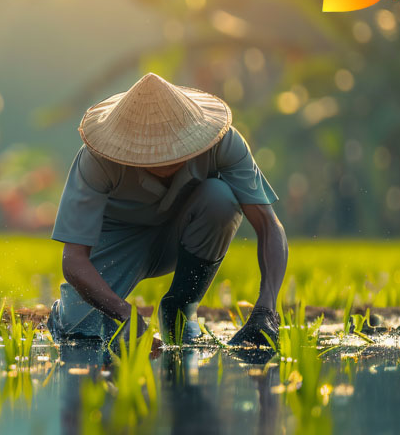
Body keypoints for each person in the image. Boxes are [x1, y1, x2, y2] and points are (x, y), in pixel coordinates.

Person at [47, 73, 287, 347]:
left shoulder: (223, 143)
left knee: (220, 197)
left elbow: (269, 225)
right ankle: (66, 316)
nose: (165, 157)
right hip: (120, 241)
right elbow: (74, 260)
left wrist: (266, 308)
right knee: (80, 331)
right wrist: (125, 313)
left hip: (185, 233)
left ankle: (181, 306)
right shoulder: (97, 161)